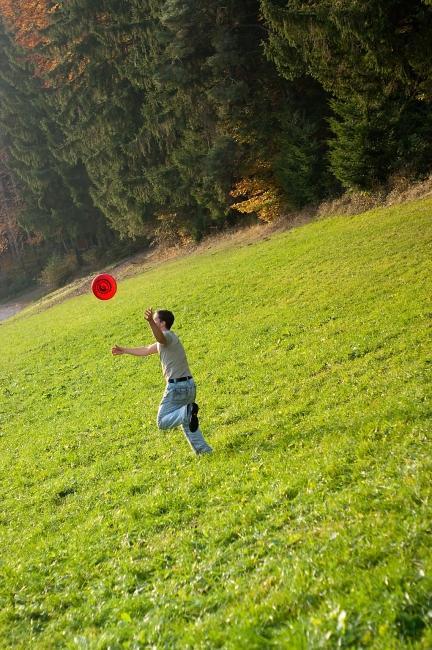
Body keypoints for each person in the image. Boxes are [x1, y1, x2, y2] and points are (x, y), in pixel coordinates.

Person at [111, 307, 213, 456]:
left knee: (162, 421)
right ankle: (205, 452)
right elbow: (146, 349)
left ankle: (187, 411)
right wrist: (125, 350)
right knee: (187, 421)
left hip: (177, 387)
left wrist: (150, 322)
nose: (154, 321)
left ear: (162, 323)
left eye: (156, 319)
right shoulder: (165, 342)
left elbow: (160, 338)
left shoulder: (168, 337)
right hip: (189, 386)